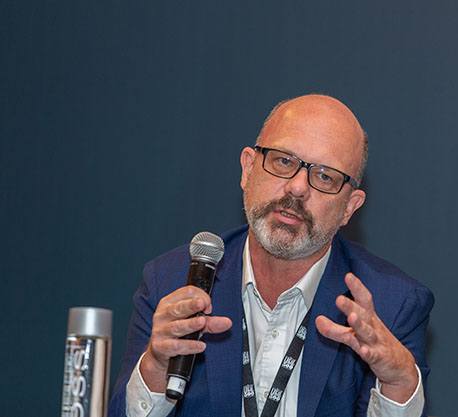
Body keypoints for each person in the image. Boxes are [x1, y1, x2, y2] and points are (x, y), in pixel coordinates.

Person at [108, 94, 434, 417]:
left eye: (324, 176)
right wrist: (155, 367)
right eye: (283, 161)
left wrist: (399, 384)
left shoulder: (392, 307)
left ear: (349, 206)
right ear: (248, 169)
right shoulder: (173, 282)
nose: (297, 188)